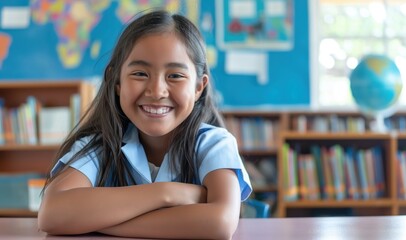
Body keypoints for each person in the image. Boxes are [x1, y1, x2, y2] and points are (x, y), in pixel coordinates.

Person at [37, 10, 252, 240]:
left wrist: (97, 222)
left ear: (199, 87)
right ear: (117, 81)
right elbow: (52, 214)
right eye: (140, 73)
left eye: (175, 76)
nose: (157, 91)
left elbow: (219, 224)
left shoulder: (214, 144)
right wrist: (166, 193)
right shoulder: (98, 146)